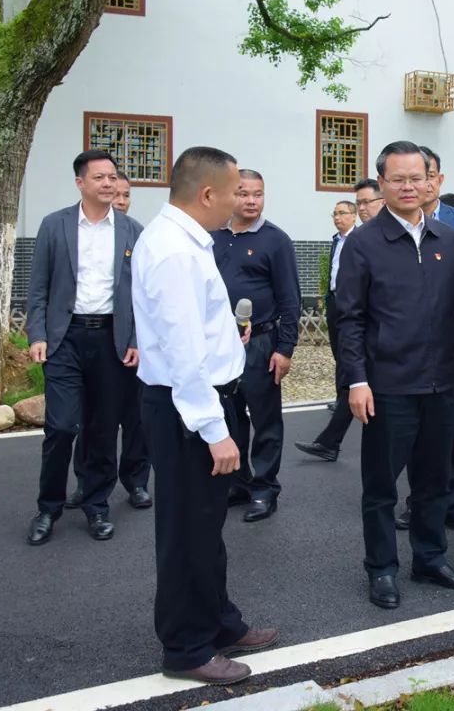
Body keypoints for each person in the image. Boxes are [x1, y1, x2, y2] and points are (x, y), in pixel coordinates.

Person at [132, 146, 277, 685]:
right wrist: (215, 430)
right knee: (187, 530)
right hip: (188, 408)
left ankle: (217, 620)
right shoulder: (175, 250)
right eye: (236, 191)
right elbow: (182, 353)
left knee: (207, 525)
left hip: (197, 399)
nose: (243, 201)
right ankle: (187, 646)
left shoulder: (185, 241)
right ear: (208, 194)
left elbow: (194, 329)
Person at [337, 140, 454, 610]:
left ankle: (430, 557)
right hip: (388, 388)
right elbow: (350, 319)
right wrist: (357, 380)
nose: (408, 186)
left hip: (441, 383)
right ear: (382, 184)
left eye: (417, 177)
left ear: (432, 181)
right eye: (397, 179)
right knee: (381, 486)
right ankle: (381, 569)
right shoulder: (364, 243)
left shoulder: (447, 238)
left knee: (433, 481)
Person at [25, 150, 143, 545]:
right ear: (80, 183)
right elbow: (38, 288)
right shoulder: (54, 225)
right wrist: (38, 334)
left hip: (111, 340)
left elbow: (141, 294)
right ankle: (48, 507)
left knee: (103, 430)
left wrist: (136, 340)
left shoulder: (131, 230)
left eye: (113, 177)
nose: (109, 184)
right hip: (65, 340)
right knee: (60, 427)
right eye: (100, 178)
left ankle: (97, 506)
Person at [391, 146, 454, 535]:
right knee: (418, 434)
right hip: (410, 352)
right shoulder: (394, 223)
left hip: (453, 346)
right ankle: (419, 502)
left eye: (426, 175)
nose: (420, 183)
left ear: (438, 179)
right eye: (412, 175)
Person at [212, 170, 301, 522]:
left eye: (258, 194)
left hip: (261, 343)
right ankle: (237, 483)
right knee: (227, 416)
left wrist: (285, 348)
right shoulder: (212, 235)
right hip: (219, 343)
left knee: (264, 419)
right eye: (243, 193)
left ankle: (265, 488)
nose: (251, 201)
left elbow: (290, 299)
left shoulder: (275, 240)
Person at [65, 168, 152, 512]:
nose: (120, 199)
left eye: (126, 194)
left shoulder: (138, 235)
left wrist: (140, 340)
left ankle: (136, 481)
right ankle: (86, 481)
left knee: (134, 416)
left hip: (130, 342)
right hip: (92, 338)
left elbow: (146, 296)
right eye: (115, 193)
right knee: (91, 417)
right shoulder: (79, 232)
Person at [295, 201, 358, 462]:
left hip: (351, 307)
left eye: (343, 213)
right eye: (334, 213)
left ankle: (330, 441)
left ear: (354, 216)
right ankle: (340, 401)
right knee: (340, 361)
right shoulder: (336, 240)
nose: (337, 217)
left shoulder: (361, 240)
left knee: (349, 369)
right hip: (334, 302)